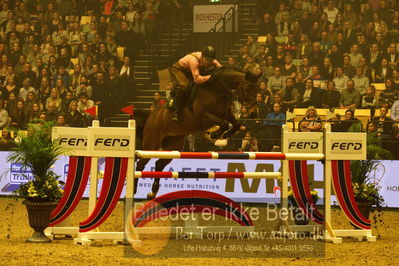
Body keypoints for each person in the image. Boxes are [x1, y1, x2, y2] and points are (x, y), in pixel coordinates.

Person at [169, 46, 221, 122]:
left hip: (190, 71)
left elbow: (221, 69)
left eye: (211, 60)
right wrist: (211, 76)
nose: (209, 62)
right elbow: (197, 80)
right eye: (207, 60)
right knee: (185, 86)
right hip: (179, 70)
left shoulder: (211, 60)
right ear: (203, 56)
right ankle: (176, 111)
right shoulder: (193, 60)